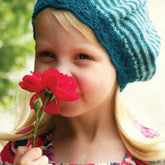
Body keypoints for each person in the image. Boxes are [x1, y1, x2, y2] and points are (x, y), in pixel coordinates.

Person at [0, 0, 165, 164]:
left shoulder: (151, 156)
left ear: (120, 66)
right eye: (47, 54)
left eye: (82, 56)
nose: (60, 72)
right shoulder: (20, 151)